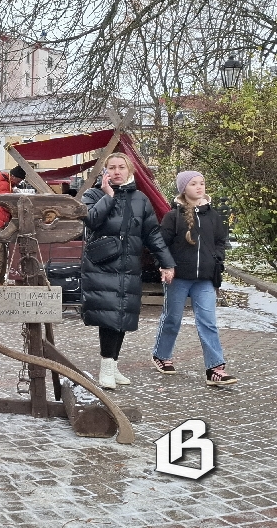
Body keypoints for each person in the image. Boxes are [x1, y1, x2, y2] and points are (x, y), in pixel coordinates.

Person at [81, 152, 175, 389]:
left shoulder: (140, 199)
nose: (116, 171)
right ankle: (105, 367)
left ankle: (113, 367)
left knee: (121, 316)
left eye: (121, 167)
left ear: (130, 170)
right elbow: (91, 220)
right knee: (109, 318)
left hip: (128, 267)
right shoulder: (93, 194)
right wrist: (109, 196)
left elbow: (152, 233)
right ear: (105, 172)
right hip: (102, 267)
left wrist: (166, 262)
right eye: (111, 167)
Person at [152, 171, 237, 386]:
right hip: (178, 278)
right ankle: (161, 355)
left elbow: (220, 242)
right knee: (172, 319)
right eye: (193, 184)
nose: (199, 187)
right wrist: (166, 266)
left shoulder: (214, 216)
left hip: (205, 280)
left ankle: (215, 369)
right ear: (183, 189)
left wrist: (216, 259)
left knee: (208, 322)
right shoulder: (174, 217)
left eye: (202, 183)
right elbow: (160, 245)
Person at [0, 165, 26, 287]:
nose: (19, 183)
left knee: (0, 252)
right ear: (13, 177)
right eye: (19, 180)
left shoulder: (4, 183)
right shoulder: (4, 185)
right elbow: (8, 204)